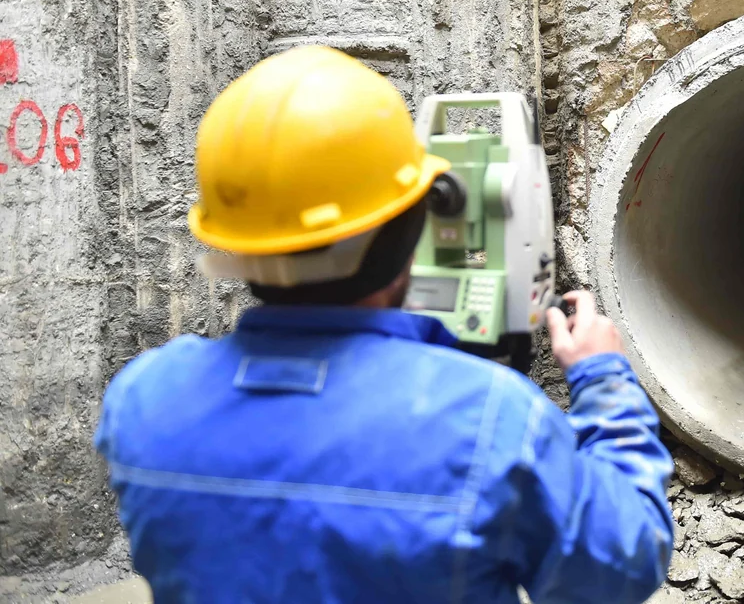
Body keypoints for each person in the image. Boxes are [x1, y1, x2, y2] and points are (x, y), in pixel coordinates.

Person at [93, 46, 675, 603]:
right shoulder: (490, 420)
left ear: (236, 242)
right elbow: (623, 567)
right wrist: (604, 381)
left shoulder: (144, 398)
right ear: (404, 231)